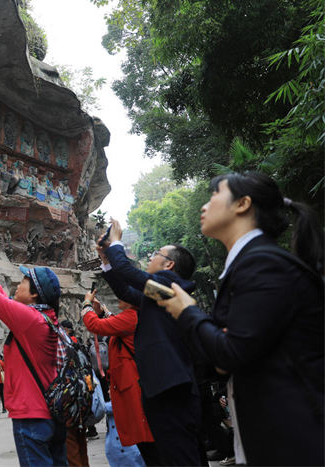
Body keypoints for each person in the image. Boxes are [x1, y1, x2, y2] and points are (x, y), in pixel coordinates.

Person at [157, 172, 324, 466]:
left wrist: (187, 312)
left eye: (214, 195)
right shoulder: (250, 264)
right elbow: (222, 363)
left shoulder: (263, 264)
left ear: (243, 204)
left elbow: (232, 352)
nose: (204, 206)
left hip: (296, 438)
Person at [97, 219, 201, 466]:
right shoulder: (161, 295)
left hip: (172, 389)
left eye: (156, 254)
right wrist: (106, 261)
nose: (151, 257)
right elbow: (126, 291)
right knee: (169, 455)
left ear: (169, 265)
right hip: (162, 388)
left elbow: (129, 273)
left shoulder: (171, 287)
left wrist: (117, 241)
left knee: (180, 457)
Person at [0, 237, 68, 467]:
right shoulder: (44, 318)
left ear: (35, 294)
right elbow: (4, 300)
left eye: (24, 281)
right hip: (51, 413)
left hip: (32, 416)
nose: (19, 284)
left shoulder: (31, 321)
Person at [81, 291, 156, 465]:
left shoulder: (131, 317)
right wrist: (101, 313)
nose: (119, 295)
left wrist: (86, 305)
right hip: (130, 385)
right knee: (145, 445)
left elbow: (95, 326)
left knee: (147, 447)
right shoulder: (132, 317)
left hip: (132, 388)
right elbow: (114, 324)